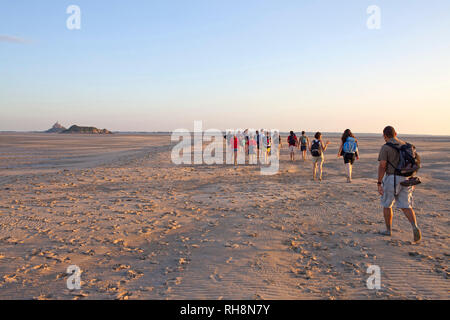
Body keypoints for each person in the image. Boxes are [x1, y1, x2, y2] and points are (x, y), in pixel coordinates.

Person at [377, 126, 421, 242]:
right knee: (406, 205)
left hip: (392, 178)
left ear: (384, 136)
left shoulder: (386, 147)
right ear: (395, 133)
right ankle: (414, 226)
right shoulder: (406, 145)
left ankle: (388, 230)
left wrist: (379, 182)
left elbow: (382, 165)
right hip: (407, 179)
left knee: (387, 204)